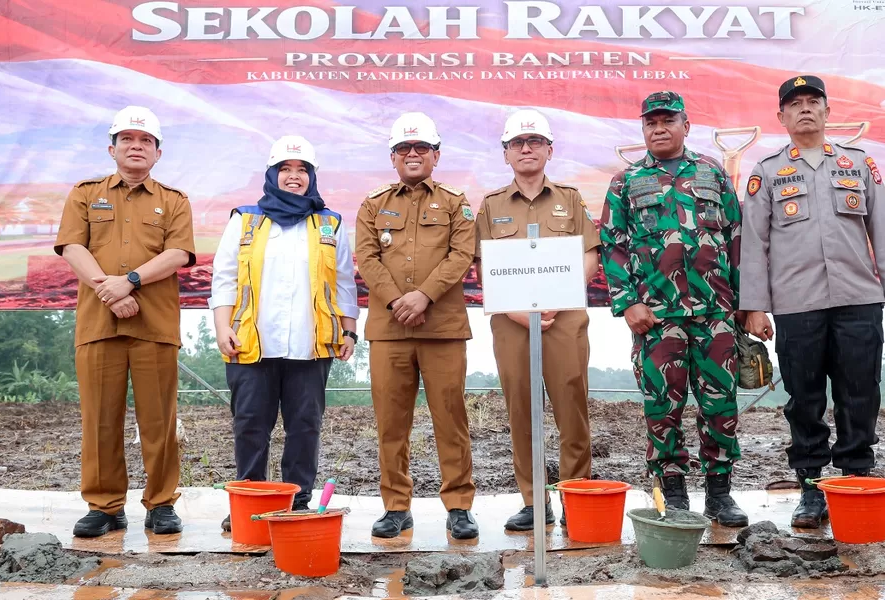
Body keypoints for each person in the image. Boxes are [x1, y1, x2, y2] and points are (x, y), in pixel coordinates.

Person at [739, 75, 885, 528]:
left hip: (858, 298)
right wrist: (755, 306)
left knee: (860, 392)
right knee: (804, 398)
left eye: (812, 102)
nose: (804, 109)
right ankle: (811, 488)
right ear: (780, 116)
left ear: (827, 111)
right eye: (794, 104)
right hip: (796, 304)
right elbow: (752, 245)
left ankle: (857, 478)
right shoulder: (767, 172)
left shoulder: (858, 164)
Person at [599, 91, 749, 528]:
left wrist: (745, 304)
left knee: (720, 403)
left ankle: (720, 493)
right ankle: (674, 491)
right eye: (651, 123)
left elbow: (735, 238)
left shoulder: (712, 173)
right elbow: (613, 244)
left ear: (686, 125)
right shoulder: (626, 182)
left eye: (667, 120)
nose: (659, 129)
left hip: (715, 312)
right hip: (657, 317)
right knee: (662, 405)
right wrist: (628, 303)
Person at [54, 105, 196, 537]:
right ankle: (104, 506)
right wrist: (108, 291)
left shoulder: (174, 200)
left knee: (159, 421)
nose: (137, 147)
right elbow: (72, 247)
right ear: (112, 148)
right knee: (99, 419)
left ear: (158, 153)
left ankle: (161, 504)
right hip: (99, 325)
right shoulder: (84, 193)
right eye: (128, 140)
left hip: (154, 326)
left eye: (146, 142)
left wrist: (129, 282)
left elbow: (178, 254)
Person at [208, 135, 358, 531]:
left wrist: (350, 331)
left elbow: (344, 281)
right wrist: (222, 327)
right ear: (272, 175)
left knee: (305, 424)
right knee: (251, 423)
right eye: (286, 170)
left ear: (311, 177)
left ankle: (298, 500)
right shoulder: (245, 219)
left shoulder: (330, 223)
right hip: (250, 342)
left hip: (311, 345)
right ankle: (249, 499)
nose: (294, 177)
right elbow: (223, 278)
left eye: (302, 170)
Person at [355, 112, 479, 540]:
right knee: (391, 422)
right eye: (404, 149)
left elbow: (462, 255)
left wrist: (423, 295)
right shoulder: (373, 204)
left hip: (442, 327)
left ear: (436, 155)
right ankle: (395, 506)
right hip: (389, 329)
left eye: (421, 148)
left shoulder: (456, 203)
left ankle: (459, 505)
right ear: (393, 157)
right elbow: (367, 258)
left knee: (450, 418)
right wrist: (396, 300)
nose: (413, 155)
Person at [473, 109, 596, 531]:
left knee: (571, 406)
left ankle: (576, 494)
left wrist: (558, 299)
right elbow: (482, 267)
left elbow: (590, 255)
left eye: (535, 142)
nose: (526, 149)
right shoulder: (491, 207)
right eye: (517, 144)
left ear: (549, 150)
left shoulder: (571, 199)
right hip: (511, 323)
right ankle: (534, 501)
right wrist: (517, 311)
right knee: (522, 409)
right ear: (506, 154)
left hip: (564, 319)